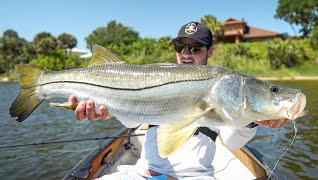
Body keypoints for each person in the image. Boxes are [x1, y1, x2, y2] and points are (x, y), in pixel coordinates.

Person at [68, 22, 290, 179]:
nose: (186, 53)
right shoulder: (156, 75)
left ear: (209, 51)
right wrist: (109, 111)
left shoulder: (221, 88)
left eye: (195, 48)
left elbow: (232, 143)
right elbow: (131, 122)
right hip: (142, 173)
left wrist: (252, 120)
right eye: (179, 47)